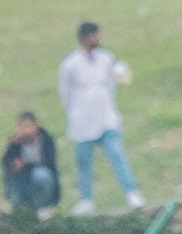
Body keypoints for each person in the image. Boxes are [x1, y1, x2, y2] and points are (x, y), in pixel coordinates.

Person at [58, 21, 144, 215]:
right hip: (83, 122)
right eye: (94, 35)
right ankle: (86, 200)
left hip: (105, 118)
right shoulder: (70, 65)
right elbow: (65, 94)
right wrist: (76, 112)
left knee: (117, 155)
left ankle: (131, 193)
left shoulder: (106, 58)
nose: (98, 39)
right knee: (84, 163)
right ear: (84, 38)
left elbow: (111, 83)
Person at [1, 111, 60, 218]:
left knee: (42, 175)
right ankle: (15, 205)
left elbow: (50, 164)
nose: (26, 130)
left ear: (36, 126)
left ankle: (43, 206)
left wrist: (26, 164)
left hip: (39, 174)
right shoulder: (15, 141)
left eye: (28, 126)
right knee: (9, 173)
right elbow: (5, 162)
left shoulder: (46, 139)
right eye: (23, 127)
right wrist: (12, 151)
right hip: (22, 177)